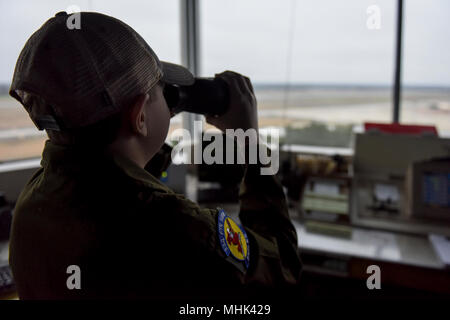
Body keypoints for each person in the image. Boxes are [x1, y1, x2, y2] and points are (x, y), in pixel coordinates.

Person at [8, 11, 302, 299]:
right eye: (162, 91)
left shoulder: (32, 205)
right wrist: (249, 142)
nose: (170, 101)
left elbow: (116, 171)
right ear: (139, 116)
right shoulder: (177, 226)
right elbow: (283, 267)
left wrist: (152, 114)